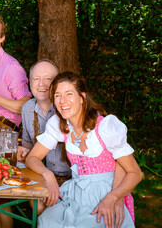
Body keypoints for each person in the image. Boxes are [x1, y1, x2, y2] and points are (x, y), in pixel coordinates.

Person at [26, 71, 143, 228]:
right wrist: (48, 175)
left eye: (69, 94)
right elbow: (32, 158)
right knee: (48, 222)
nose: (63, 101)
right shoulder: (60, 126)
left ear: (82, 97)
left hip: (106, 193)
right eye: (57, 96)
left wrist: (113, 197)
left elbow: (135, 173)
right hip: (76, 192)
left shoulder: (105, 127)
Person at [17, 59, 71, 215]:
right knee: (40, 206)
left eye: (48, 79)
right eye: (36, 79)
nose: (41, 84)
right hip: (42, 174)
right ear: (30, 83)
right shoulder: (27, 108)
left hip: (73, 176)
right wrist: (25, 150)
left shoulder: (67, 108)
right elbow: (28, 141)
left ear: (56, 83)